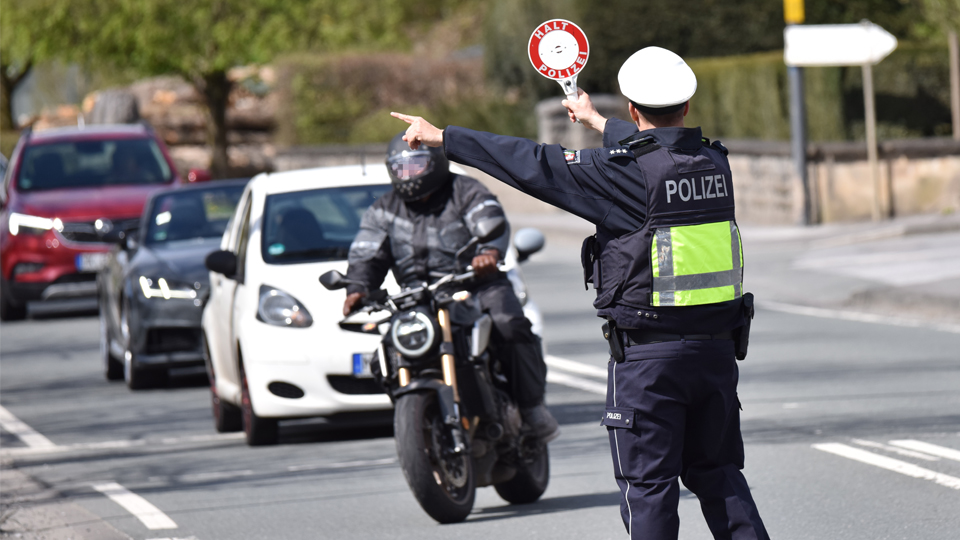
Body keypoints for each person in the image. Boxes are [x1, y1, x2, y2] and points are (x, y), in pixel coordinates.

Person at [390, 46, 768, 540]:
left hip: (650, 362)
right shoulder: (714, 164)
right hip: (716, 355)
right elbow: (662, 151)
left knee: (649, 486)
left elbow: (533, 164)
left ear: (633, 108)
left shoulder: (620, 173)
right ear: (688, 106)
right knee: (719, 476)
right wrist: (596, 120)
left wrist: (446, 138)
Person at [343, 132, 560, 441]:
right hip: (418, 299)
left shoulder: (465, 191)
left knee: (509, 324)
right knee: (386, 351)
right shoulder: (384, 210)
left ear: (434, 163)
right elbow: (367, 252)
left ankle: (531, 408)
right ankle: (417, 418)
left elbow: (489, 217)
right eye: (401, 168)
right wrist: (357, 287)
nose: (409, 175)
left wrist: (488, 253)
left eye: (416, 166)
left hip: (475, 285)